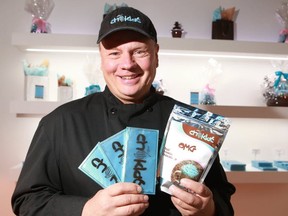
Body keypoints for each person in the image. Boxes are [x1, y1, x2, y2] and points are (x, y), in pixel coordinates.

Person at [11, 6, 236, 216]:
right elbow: (27, 201)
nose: (127, 64)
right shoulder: (60, 122)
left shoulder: (192, 123)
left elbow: (223, 202)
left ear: (156, 54)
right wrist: (86, 209)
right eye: (114, 53)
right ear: (101, 56)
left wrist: (208, 208)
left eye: (139, 51)